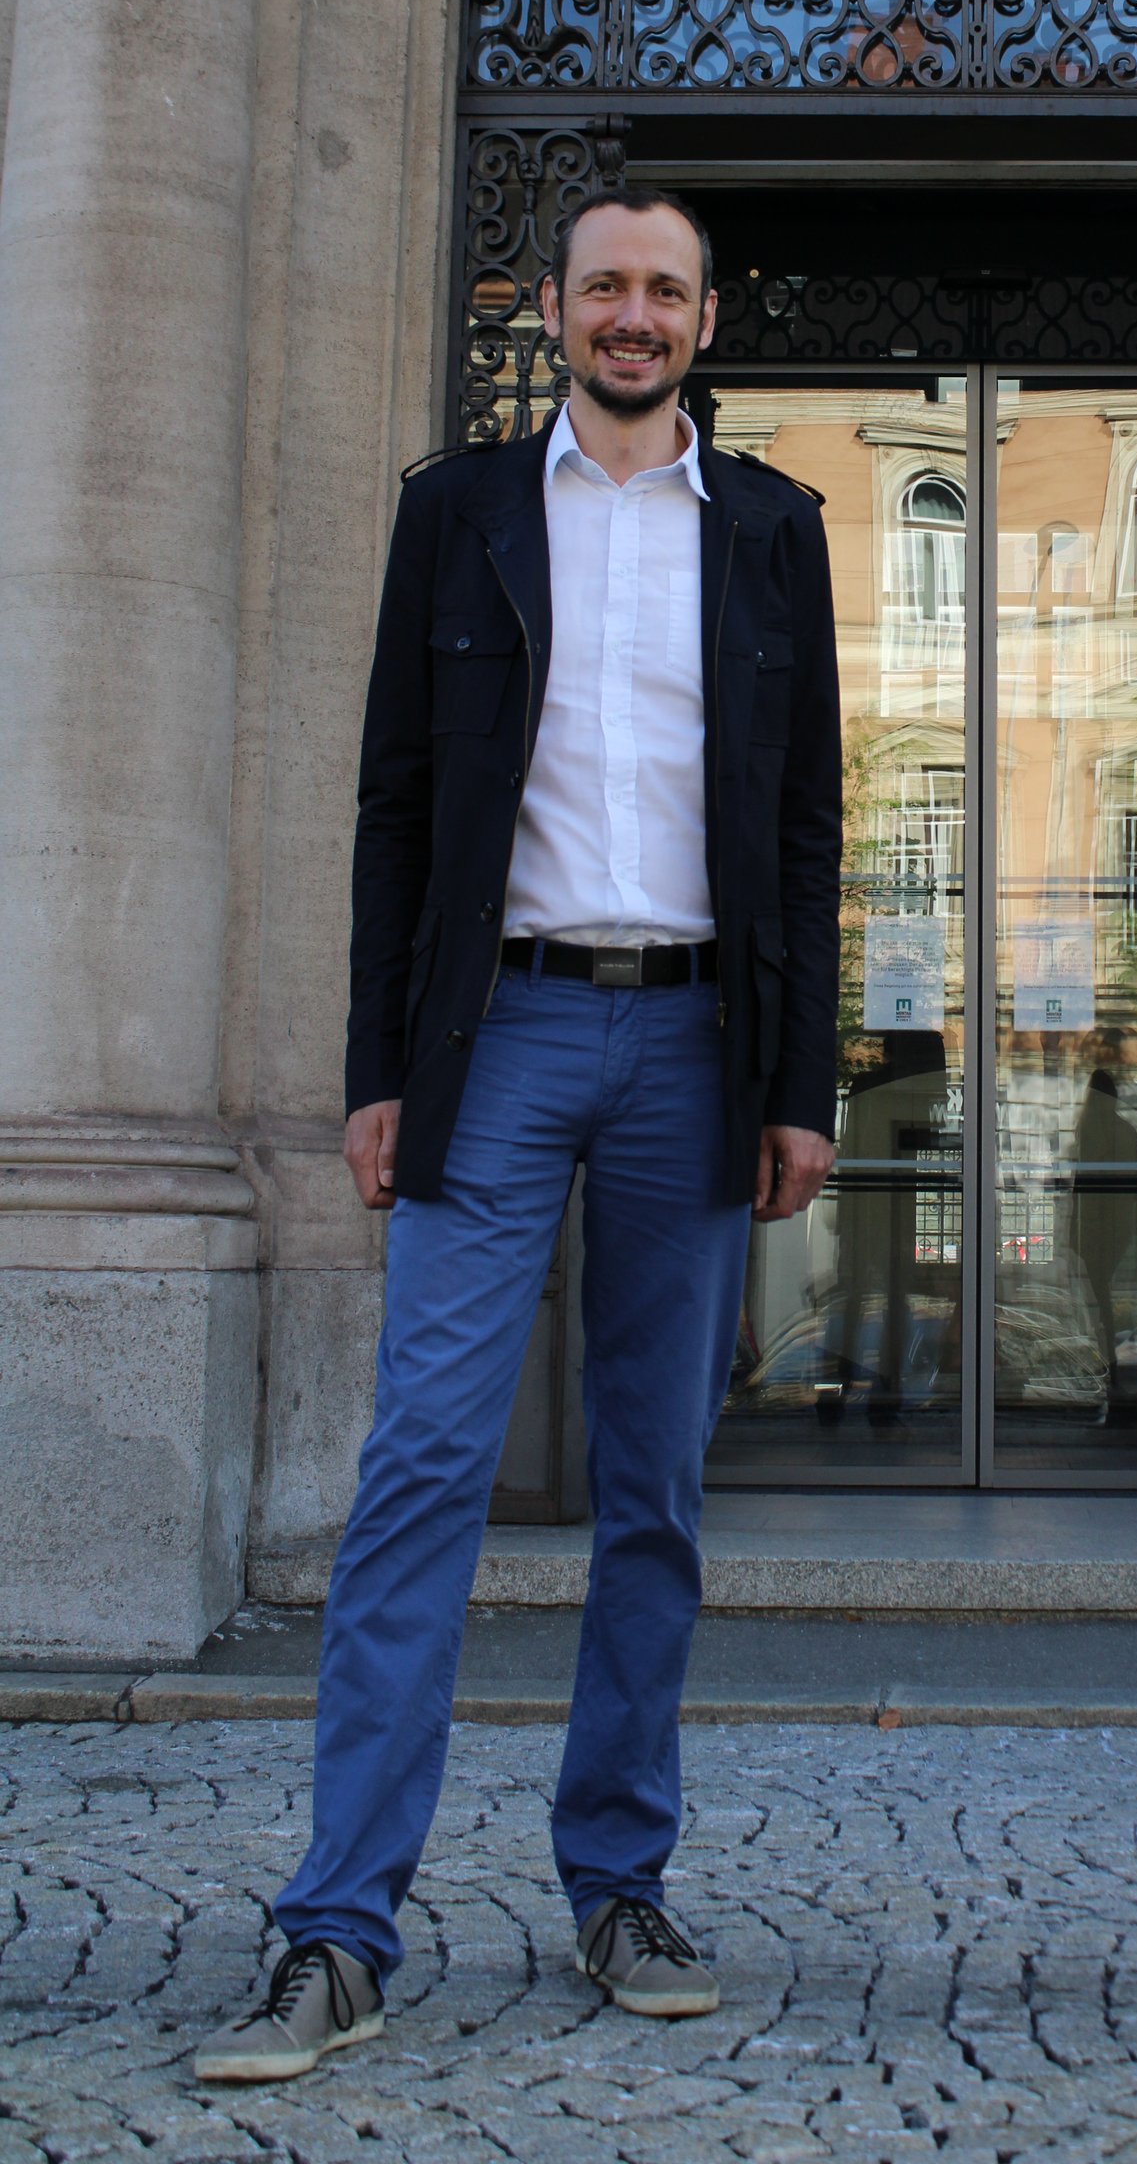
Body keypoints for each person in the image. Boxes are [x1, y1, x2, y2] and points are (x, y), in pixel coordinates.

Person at [197, 185, 841, 2084]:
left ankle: (619, 1880)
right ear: (552, 310)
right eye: (603, 287)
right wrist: (377, 1069)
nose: (632, 316)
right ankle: (338, 1930)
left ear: (707, 319)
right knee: (420, 1478)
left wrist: (801, 1085)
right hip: (505, 1033)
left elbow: (807, 820)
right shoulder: (457, 511)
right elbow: (393, 805)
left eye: (664, 290)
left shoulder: (779, 531)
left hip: (698, 1046)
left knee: (654, 1492)